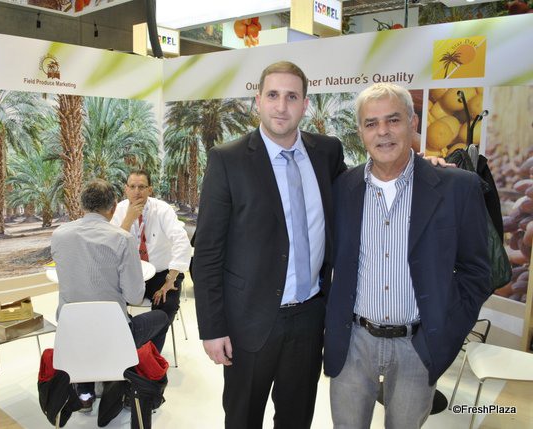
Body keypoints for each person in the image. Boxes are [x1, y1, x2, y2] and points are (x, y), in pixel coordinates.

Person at [323, 83, 492, 428]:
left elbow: (478, 271)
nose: (383, 132)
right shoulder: (342, 188)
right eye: (371, 123)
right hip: (353, 342)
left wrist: (446, 330)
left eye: (393, 120)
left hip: (418, 346)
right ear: (361, 132)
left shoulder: (457, 187)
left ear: (413, 123)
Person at [193, 61, 347, 429]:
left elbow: (360, 190)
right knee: (243, 419)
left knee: (296, 419)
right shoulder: (228, 160)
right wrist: (212, 328)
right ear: (257, 100)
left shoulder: (327, 153)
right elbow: (208, 252)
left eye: (292, 97)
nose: (281, 106)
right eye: (273, 95)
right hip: (248, 321)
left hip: (310, 317)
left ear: (305, 104)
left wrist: (419, 166)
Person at [51, 178, 169, 413]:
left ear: (81, 205)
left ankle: (85, 394)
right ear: (114, 207)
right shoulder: (122, 239)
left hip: (71, 333)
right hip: (114, 334)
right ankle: (129, 383)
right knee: (162, 318)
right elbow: (134, 297)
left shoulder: (59, 235)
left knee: (85, 324)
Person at [111, 170, 192, 352]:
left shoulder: (162, 209)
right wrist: (128, 220)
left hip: (162, 274)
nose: (137, 192)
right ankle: (127, 348)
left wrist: (170, 280)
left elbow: (181, 241)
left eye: (141, 187)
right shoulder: (118, 210)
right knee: (111, 305)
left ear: (150, 189)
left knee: (166, 307)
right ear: (126, 189)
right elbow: (111, 247)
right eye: (132, 187)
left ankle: (150, 356)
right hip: (129, 273)